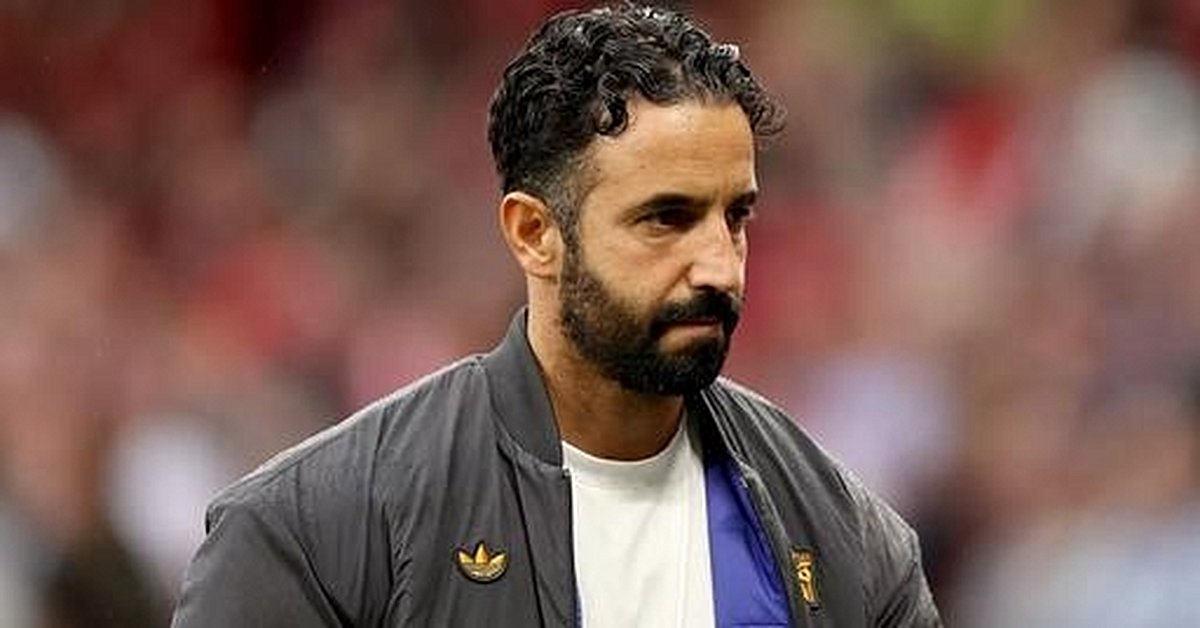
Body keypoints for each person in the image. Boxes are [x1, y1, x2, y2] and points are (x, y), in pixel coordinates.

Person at [170, 3, 941, 627]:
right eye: (666, 219)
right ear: (534, 234)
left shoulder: (846, 538)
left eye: (734, 217)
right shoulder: (315, 533)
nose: (720, 266)